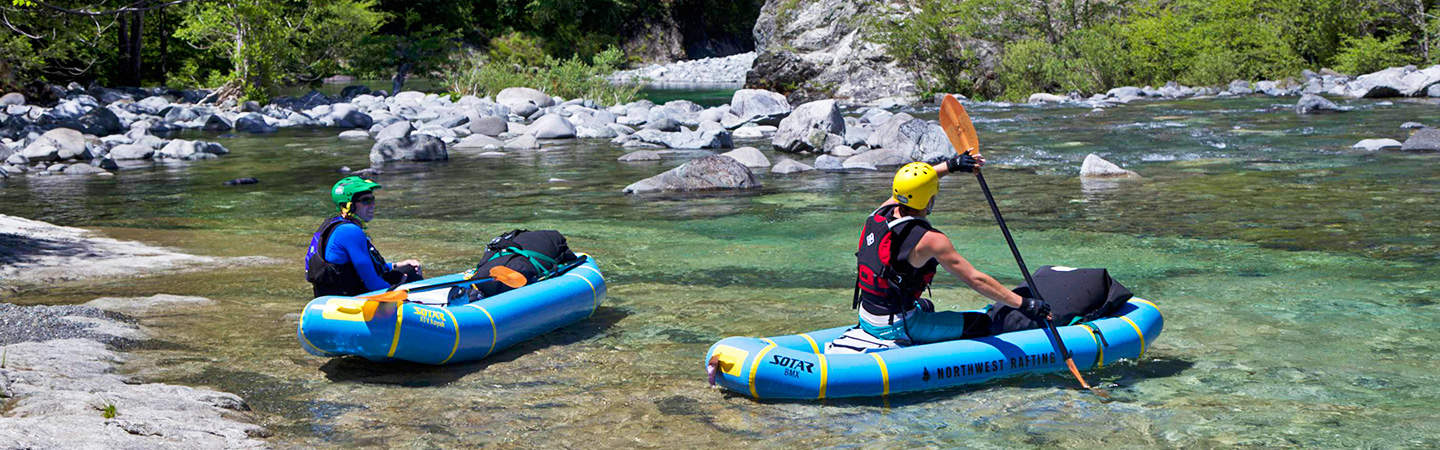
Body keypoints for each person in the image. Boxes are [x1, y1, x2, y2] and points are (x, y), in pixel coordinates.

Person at [852, 154, 1051, 344]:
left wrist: (953, 164)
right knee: (981, 324)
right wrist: (1025, 304)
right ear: (929, 200)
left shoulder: (880, 213)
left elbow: (916, 185)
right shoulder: (931, 239)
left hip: (867, 313)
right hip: (896, 326)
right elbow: (975, 279)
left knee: (927, 305)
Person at [304, 176, 423, 297]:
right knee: (411, 275)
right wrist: (406, 295)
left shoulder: (336, 224)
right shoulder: (350, 231)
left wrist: (396, 265)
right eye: (366, 201)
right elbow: (372, 283)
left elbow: (359, 267)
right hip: (345, 298)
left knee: (408, 268)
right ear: (348, 205)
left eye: (373, 199)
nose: (372, 205)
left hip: (335, 291)